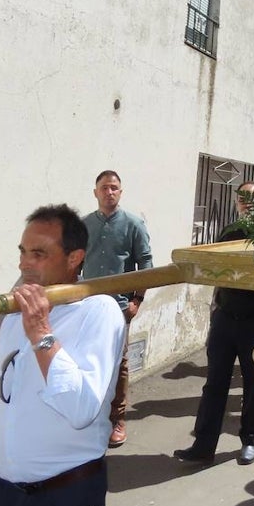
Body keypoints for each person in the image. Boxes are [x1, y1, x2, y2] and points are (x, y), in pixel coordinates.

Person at [0, 204, 125, 506]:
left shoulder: (99, 312)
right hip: (0, 490)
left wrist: (41, 332)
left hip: (65, 494)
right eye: (23, 252)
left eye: (39, 254)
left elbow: (80, 409)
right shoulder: (15, 316)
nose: (25, 264)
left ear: (74, 258)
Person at [175, 182, 254, 467]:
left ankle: (250, 439)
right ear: (237, 202)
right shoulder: (229, 232)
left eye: (252, 198)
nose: (246, 202)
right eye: (242, 198)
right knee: (214, 384)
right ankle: (203, 445)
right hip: (226, 318)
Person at [80, 170, 154, 448]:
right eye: (104, 188)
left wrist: (137, 300)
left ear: (120, 192)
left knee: (118, 364)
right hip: (87, 306)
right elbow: (74, 262)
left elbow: (145, 263)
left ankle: (117, 420)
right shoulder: (85, 224)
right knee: (87, 360)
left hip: (118, 307)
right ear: (95, 192)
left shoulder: (133, 223)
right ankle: (90, 416)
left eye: (114, 188)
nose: (109, 192)